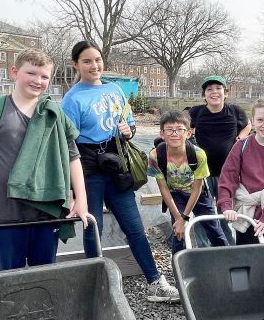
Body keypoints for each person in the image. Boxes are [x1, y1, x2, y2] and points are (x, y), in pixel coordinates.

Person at [0, 49, 92, 271]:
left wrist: (81, 199)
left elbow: (73, 158)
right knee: (9, 275)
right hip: (5, 212)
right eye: (31, 73)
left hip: (46, 210)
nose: (38, 81)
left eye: (45, 77)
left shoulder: (54, 114)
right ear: (14, 72)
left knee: (44, 273)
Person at [61, 40, 179, 303]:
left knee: (134, 227)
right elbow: (68, 143)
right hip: (88, 166)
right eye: (87, 61)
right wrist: (72, 187)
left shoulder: (114, 90)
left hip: (117, 162)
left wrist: (130, 130)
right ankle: (95, 288)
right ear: (76, 65)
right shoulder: (73, 98)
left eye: (98, 60)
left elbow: (130, 121)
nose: (94, 65)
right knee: (93, 226)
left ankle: (155, 282)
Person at [148, 111, 230, 254]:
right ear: (162, 133)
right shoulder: (155, 156)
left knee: (214, 229)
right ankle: (179, 268)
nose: (175, 133)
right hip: (175, 194)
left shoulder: (198, 154)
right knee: (178, 233)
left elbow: (197, 188)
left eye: (180, 129)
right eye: (169, 129)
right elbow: (164, 189)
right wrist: (179, 219)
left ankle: (229, 260)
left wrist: (185, 217)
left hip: (198, 194)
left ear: (189, 133)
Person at [217, 97, 264, 244]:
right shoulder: (241, 146)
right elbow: (228, 177)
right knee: (246, 257)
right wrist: (226, 206)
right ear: (252, 120)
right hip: (247, 213)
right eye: (260, 120)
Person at [189, 75, 251, 245]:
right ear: (204, 95)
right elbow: (184, 127)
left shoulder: (235, 111)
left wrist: (240, 137)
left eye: (218, 88)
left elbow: (248, 125)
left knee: (226, 211)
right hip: (203, 174)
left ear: (226, 93)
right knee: (203, 212)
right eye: (209, 89)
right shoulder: (196, 112)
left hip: (228, 174)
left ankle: (228, 246)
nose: (214, 92)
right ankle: (204, 249)